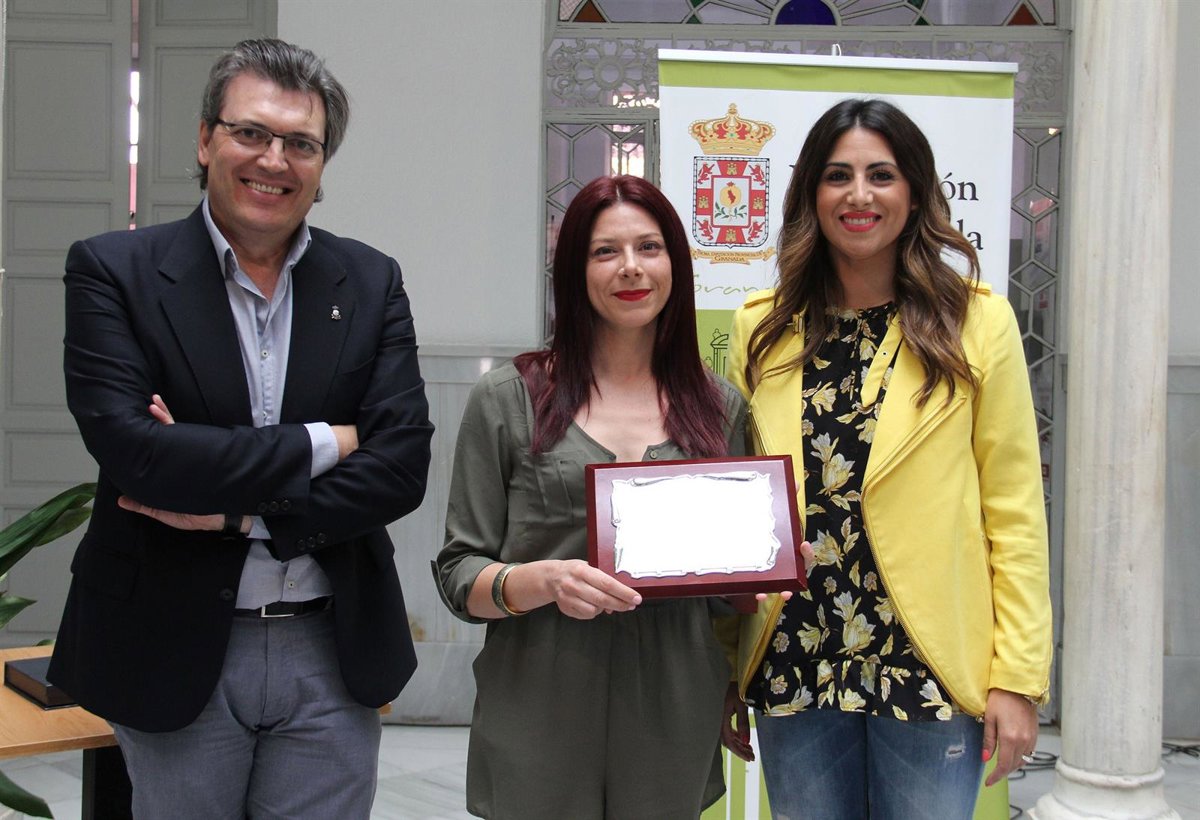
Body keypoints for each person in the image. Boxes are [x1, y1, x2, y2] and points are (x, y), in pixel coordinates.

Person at [47, 38, 433, 818]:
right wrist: (329, 441)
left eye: (301, 143)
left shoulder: (369, 280)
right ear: (205, 139)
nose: (273, 160)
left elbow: (400, 467)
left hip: (331, 644)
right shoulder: (114, 272)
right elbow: (138, 456)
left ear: (321, 163)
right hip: (170, 640)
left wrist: (239, 514)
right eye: (251, 132)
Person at [719, 98, 1052, 819]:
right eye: (838, 176)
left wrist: (1018, 677)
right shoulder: (763, 328)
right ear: (811, 194)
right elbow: (741, 513)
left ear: (915, 192)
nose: (859, 195)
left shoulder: (975, 321)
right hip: (797, 656)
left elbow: (1015, 512)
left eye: (881, 175)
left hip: (929, 661)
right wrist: (723, 667)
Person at [434, 174, 745, 819]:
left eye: (649, 247)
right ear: (575, 271)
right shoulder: (509, 399)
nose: (631, 267)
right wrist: (541, 581)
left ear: (676, 265)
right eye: (606, 251)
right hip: (539, 709)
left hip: (674, 713)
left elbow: (725, 596)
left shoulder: (719, 408)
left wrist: (768, 567)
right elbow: (458, 573)